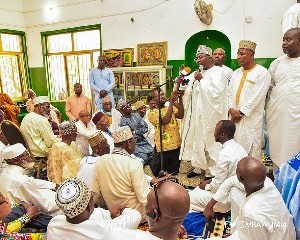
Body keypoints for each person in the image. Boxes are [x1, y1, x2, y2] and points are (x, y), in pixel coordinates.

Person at [204, 157, 296, 240]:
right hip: (272, 231)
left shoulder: (251, 212)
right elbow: (230, 182)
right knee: (235, 192)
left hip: (274, 236)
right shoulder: (266, 182)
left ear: (239, 178)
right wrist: (209, 206)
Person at [180, 45, 228, 178]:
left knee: (209, 140)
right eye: (197, 58)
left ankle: (210, 171)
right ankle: (197, 168)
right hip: (196, 113)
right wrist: (183, 77)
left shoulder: (218, 72)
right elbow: (186, 89)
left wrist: (202, 80)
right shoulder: (196, 73)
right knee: (197, 138)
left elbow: (217, 93)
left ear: (209, 57)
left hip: (211, 114)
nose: (198, 60)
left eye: (201, 57)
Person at [45, 177, 141, 240]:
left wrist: (108, 214)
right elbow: (135, 216)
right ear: (89, 206)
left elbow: (91, 215)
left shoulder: (54, 223)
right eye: (92, 198)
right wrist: (125, 210)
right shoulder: (103, 230)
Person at [92, 126, 150, 223]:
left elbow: (96, 194)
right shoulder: (133, 164)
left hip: (115, 215)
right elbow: (144, 198)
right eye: (133, 141)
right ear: (128, 144)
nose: (135, 144)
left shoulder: (100, 161)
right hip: (137, 216)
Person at [189, 120, 247, 213]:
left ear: (222, 134)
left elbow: (217, 186)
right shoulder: (240, 148)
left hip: (225, 200)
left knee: (190, 197)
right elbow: (226, 177)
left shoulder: (224, 154)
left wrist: (206, 186)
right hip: (238, 194)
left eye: (216, 130)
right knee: (198, 190)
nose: (214, 133)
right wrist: (209, 181)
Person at [228, 40, 271, 160]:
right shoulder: (236, 73)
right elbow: (230, 93)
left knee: (251, 148)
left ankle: (252, 176)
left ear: (251, 55)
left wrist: (241, 113)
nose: (238, 57)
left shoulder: (262, 73)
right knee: (235, 147)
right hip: (234, 117)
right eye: (238, 54)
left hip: (251, 119)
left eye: (242, 54)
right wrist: (231, 109)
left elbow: (258, 96)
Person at [106, 180, 190, 240]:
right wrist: (172, 226)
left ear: (154, 214)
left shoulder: (117, 235)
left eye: (147, 202)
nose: (145, 205)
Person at [266, 28, 300, 174]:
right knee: (277, 147)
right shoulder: (277, 63)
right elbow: (269, 86)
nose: (284, 43)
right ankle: (278, 179)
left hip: (296, 119)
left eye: (288, 39)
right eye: (283, 40)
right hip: (277, 117)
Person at [0, 144, 61, 216]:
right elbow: (45, 206)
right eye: (26, 154)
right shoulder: (20, 181)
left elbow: (31, 181)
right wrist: (63, 200)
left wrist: (53, 185)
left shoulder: (7, 172)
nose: (30, 157)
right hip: (32, 213)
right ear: (16, 160)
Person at [148, 88, 184, 177]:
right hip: (162, 147)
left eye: (163, 94)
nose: (162, 97)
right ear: (153, 99)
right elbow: (165, 121)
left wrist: (181, 98)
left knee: (174, 172)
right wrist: (171, 101)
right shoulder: (152, 113)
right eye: (159, 95)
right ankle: (151, 160)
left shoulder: (170, 108)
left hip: (176, 145)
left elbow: (180, 115)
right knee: (159, 174)